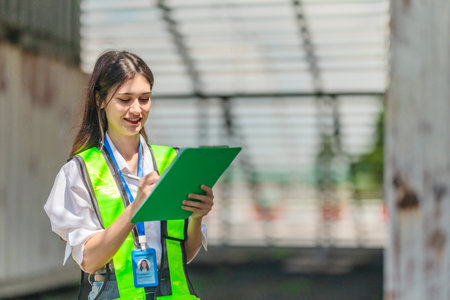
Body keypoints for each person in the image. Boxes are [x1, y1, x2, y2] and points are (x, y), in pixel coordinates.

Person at [44, 50, 214, 300]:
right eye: (125, 99)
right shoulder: (79, 172)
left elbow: (183, 255)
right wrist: (136, 209)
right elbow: (89, 260)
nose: (137, 109)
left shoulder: (172, 163)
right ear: (100, 100)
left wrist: (197, 217)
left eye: (144, 98)